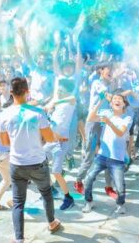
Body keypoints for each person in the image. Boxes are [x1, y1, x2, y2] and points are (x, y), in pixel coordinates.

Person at [0, 77, 65, 243]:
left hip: (16, 163)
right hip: (37, 162)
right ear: (27, 92)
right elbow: (49, 138)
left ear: (11, 93)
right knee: (46, 193)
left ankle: (19, 239)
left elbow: (5, 142)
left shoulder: (4, 114)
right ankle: (51, 222)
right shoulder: (38, 113)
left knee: (18, 202)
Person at [82, 90, 132, 214]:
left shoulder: (127, 118)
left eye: (120, 99)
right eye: (114, 99)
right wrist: (100, 100)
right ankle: (89, 201)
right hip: (102, 156)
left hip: (117, 159)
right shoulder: (106, 113)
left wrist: (109, 122)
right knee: (88, 178)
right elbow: (90, 118)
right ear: (111, 103)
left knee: (120, 187)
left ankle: (120, 204)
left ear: (124, 104)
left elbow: (120, 133)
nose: (117, 100)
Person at [74, 62, 114, 195]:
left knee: (108, 154)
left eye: (112, 70)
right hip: (93, 124)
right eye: (109, 69)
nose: (111, 72)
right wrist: (112, 95)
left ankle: (109, 186)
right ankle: (79, 180)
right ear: (101, 71)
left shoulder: (111, 84)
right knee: (90, 156)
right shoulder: (97, 83)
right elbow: (106, 96)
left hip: (105, 124)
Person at [44, 78, 76, 210]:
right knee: (39, 164)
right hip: (50, 140)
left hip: (61, 142)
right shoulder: (57, 104)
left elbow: (73, 97)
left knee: (56, 172)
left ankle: (68, 197)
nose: (60, 92)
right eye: (59, 90)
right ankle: (51, 188)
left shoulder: (70, 102)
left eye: (62, 90)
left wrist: (54, 102)